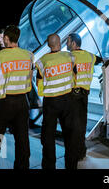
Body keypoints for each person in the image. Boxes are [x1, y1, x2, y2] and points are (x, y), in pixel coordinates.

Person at [0, 25, 34, 169]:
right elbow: (29, 77)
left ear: (6, 38)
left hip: (3, 103)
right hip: (23, 102)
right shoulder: (28, 55)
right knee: (22, 139)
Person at [35, 33, 78, 169]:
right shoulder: (70, 57)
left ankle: (49, 166)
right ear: (60, 43)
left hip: (51, 101)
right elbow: (75, 75)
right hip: (67, 99)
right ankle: (71, 166)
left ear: (48, 45)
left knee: (48, 136)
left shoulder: (42, 62)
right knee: (70, 135)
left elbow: (38, 83)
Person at [67, 32, 103, 160]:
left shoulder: (69, 57)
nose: (66, 43)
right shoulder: (89, 56)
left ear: (73, 43)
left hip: (72, 95)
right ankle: (81, 151)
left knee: (72, 126)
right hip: (84, 95)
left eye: (68, 41)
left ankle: (74, 152)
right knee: (81, 124)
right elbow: (101, 60)